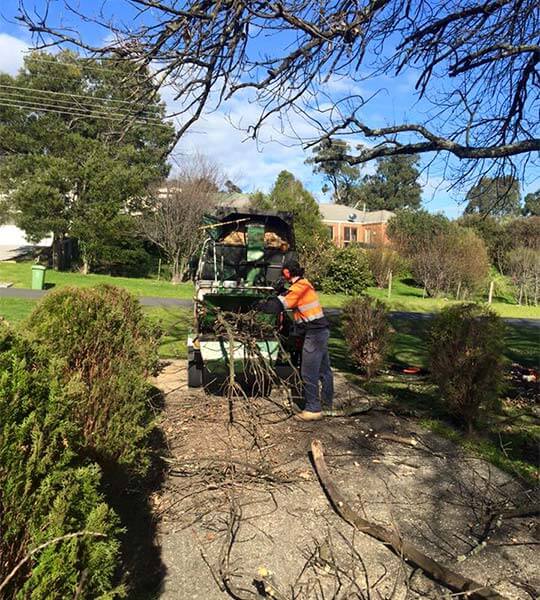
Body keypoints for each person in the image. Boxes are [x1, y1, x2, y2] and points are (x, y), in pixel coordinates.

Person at [259, 259, 334, 421]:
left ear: (287, 273)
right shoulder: (304, 284)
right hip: (320, 331)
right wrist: (281, 291)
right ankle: (328, 404)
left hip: (314, 334)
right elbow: (291, 297)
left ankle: (313, 409)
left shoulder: (298, 288)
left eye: (283, 273)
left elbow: (277, 307)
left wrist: (259, 304)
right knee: (324, 369)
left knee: (308, 372)